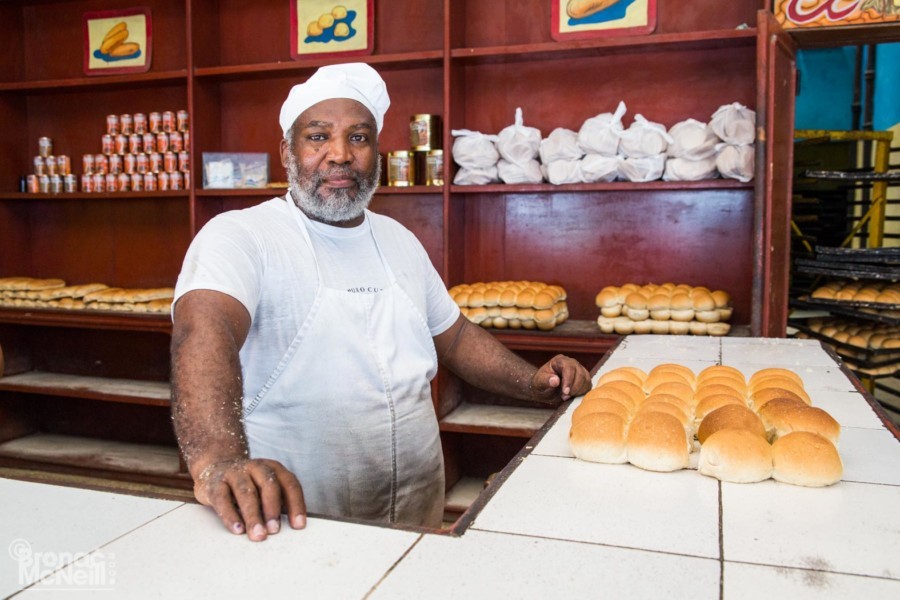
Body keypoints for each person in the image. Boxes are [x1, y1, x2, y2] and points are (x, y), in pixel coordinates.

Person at [170, 63, 591, 542]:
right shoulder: (243, 235)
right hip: (296, 515)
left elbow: (453, 337)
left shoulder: (399, 241)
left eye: (358, 138)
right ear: (287, 150)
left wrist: (533, 383)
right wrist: (218, 461)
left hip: (415, 506)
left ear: (376, 151)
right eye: (317, 137)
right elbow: (204, 330)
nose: (339, 155)